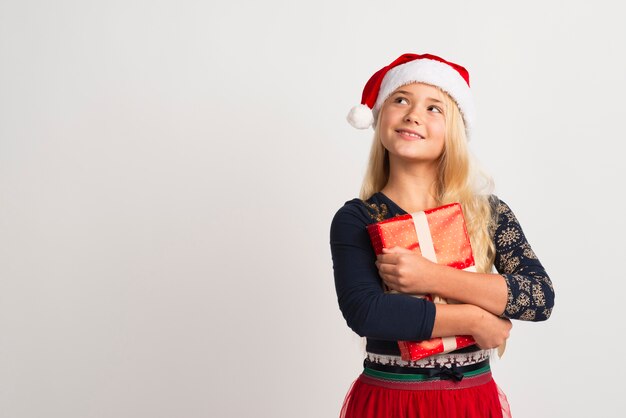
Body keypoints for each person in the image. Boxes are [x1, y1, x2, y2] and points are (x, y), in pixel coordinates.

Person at [329, 53, 555, 418]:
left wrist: (431, 277)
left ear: (454, 129)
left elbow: (538, 297)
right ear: (380, 116)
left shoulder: (487, 213)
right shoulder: (358, 218)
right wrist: (476, 320)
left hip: (472, 401)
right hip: (391, 401)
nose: (413, 114)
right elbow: (368, 312)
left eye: (435, 108)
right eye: (400, 99)